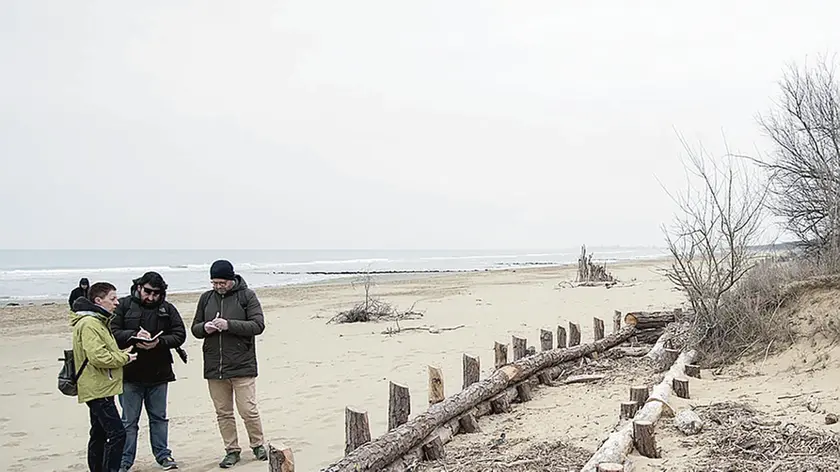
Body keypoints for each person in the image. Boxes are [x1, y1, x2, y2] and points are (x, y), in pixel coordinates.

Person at [191, 260, 267, 468]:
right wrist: (205, 328)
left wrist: (229, 325)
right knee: (223, 412)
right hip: (215, 366)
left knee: (248, 410)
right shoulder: (206, 298)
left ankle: (258, 444)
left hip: (242, 364)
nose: (218, 286)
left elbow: (258, 325)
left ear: (231, 279)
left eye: (221, 282)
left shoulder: (247, 296)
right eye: (214, 282)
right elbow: (194, 328)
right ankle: (231, 450)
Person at [111, 272, 186, 471]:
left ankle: (163, 456)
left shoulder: (167, 309)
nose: (151, 297)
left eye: (156, 293)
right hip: (129, 374)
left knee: (159, 418)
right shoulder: (124, 306)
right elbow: (113, 333)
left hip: (159, 373)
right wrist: (134, 336)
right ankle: (125, 460)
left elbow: (179, 334)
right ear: (139, 287)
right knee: (128, 421)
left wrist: (159, 342)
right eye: (148, 292)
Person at [70, 281, 137, 472]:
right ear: (98, 300)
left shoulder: (97, 321)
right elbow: (98, 357)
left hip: (99, 386)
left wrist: (121, 351)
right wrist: (124, 357)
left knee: (99, 433)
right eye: (112, 298)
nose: (116, 302)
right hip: (97, 388)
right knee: (117, 434)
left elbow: (100, 351)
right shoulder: (90, 323)